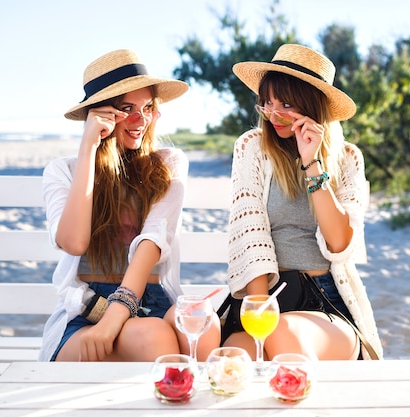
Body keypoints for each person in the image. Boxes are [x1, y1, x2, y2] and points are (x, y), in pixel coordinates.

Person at [38, 49, 220, 362]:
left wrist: (117, 316)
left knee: (203, 322)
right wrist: (88, 149)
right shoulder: (63, 171)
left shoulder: (168, 164)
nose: (141, 120)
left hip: (152, 300)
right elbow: (74, 242)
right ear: (100, 113)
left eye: (148, 107)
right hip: (88, 311)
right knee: (153, 334)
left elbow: (151, 242)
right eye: (127, 109)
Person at [220, 44, 383, 360]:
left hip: (326, 302)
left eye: (286, 103)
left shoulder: (348, 158)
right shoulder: (253, 148)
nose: (273, 113)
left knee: (284, 336)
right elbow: (250, 233)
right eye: (267, 103)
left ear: (312, 105)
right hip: (265, 296)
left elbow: (340, 243)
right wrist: (259, 310)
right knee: (234, 357)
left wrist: (313, 163)